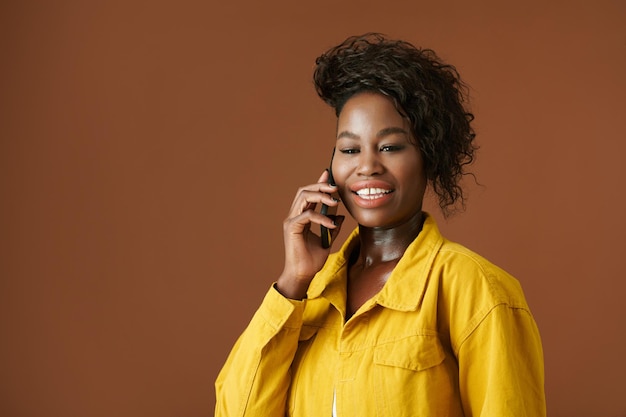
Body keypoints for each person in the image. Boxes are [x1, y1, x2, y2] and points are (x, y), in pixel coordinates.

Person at [214, 33, 546, 416]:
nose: (367, 166)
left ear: (429, 156)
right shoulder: (312, 294)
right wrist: (293, 282)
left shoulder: (476, 290)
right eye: (350, 149)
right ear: (330, 170)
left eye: (390, 147)